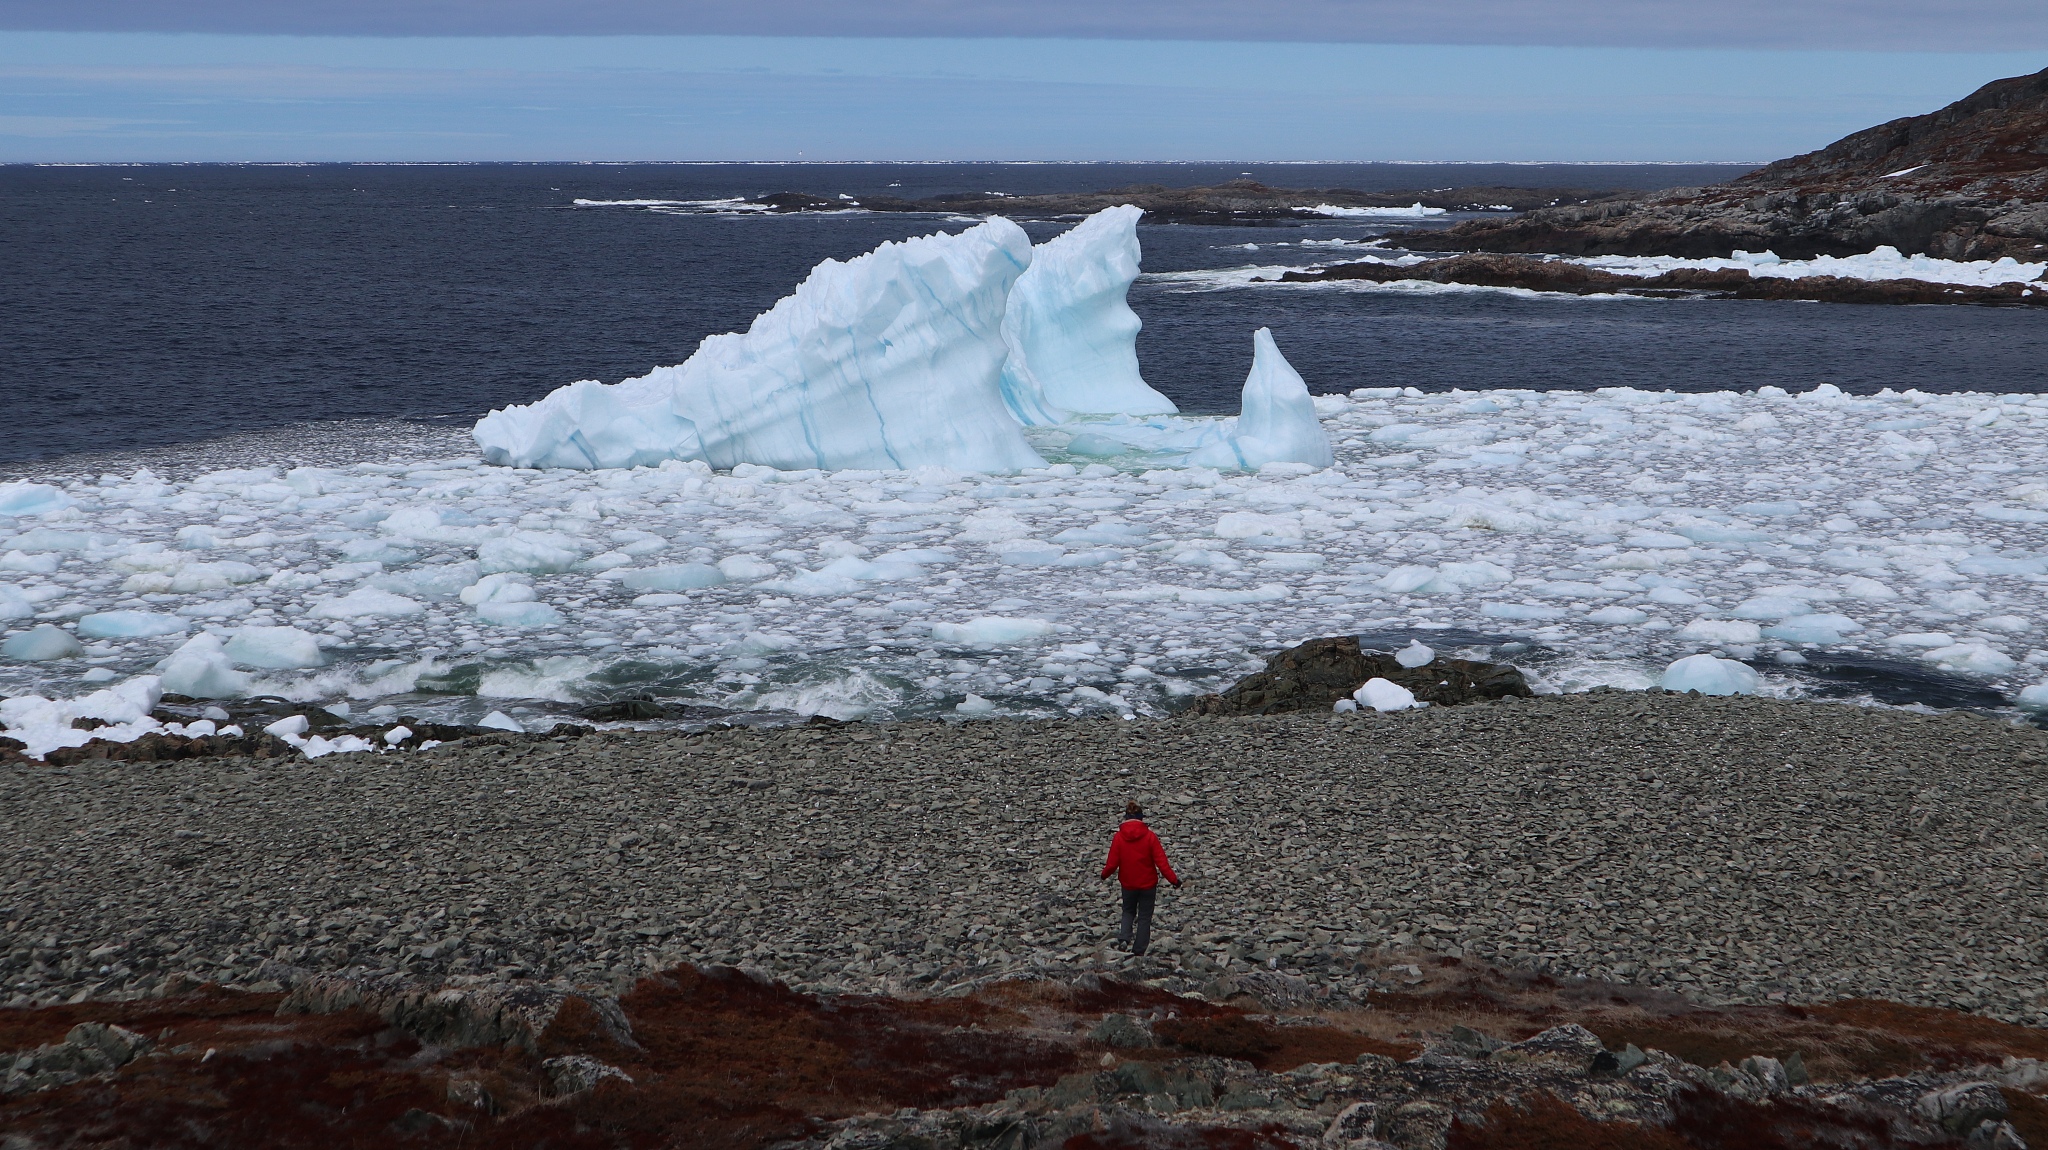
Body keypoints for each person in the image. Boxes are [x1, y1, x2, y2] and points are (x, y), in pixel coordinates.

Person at [1099, 800, 1181, 956]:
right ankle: (1138, 951)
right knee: (1144, 917)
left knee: (1128, 911)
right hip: (1148, 884)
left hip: (1128, 883)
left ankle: (1124, 938)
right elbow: (1162, 863)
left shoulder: (1118, 837)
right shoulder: (1150, 837)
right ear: (1141, 817)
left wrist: (1103, 875)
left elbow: (1112, 863)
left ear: (1125, 817)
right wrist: (1174, 880)